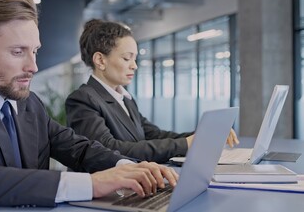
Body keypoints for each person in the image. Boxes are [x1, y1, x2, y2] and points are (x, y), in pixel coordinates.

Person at [0, 0, 179, 212]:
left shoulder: (30, 104)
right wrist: (92, 184)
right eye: (18, 52)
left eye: (35, 51)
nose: (33, 66)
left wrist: (129, 168)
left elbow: (79, 148)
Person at [65, 19, 239, 164]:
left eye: (135, 58)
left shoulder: (125, 99)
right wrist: (185, 145)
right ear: (100, 60)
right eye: (127, 58)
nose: (134, 65)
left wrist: (202, 135)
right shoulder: (83, 99)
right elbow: (108, 150)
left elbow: (153, 135)